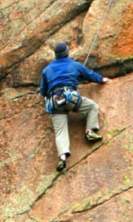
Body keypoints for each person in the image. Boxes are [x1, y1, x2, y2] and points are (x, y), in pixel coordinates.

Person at [40, 42, 110, 171]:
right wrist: (101, 79)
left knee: (60, 131)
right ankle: (90, 131)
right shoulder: (74, 65)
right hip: (69, 97)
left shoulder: (47, 70)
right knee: (92, 107)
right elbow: (89, 74)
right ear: (67, 52)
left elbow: (43, 91)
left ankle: (62, 158)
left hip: (54, 102)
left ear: (56, 55)